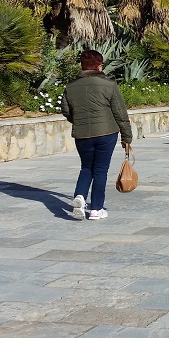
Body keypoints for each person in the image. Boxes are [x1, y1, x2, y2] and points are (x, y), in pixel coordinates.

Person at [61, 50, 132, 221]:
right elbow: (120, 113)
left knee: (86, 167)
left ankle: (80, 196)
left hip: (82, 134)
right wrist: (126, 138)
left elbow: (65, 110)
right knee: (100, 170)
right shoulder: (109, 85)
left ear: (82, 66)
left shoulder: (70, 87)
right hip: (106, 133)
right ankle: (96, 209)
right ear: (100, 65)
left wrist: (78, 120)